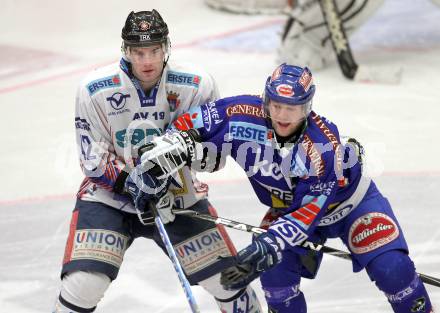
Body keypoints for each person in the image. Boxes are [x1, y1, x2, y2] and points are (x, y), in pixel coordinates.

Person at [139, 63, 434, 313]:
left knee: (393, 271)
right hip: (290, 208)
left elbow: (306, 216)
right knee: (276, 278)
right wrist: (161, 160)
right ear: (266, 101)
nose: (282, 115)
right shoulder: (240, 111)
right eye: (276, 105)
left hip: (351, 207)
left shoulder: (323, 150)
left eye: (292, 108)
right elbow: (186, 126)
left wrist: (268, 244)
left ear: (307, 107)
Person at [53, 9, 263, 313]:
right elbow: (92, 158)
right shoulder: (95, 89)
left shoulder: (196, 85)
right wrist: (131, 184)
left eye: (153, 50)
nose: (147, 60)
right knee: (84, 285)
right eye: (138, 52)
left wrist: (182, 153)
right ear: (125, 51)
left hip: (176, 198)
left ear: (166, 47)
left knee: (228, 280)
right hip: (110, 199)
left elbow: (216, 156)